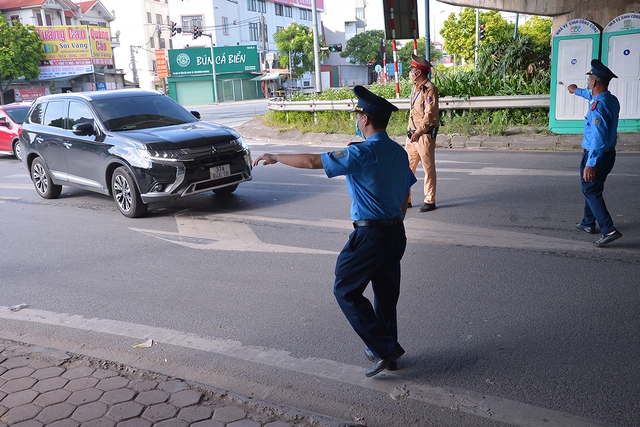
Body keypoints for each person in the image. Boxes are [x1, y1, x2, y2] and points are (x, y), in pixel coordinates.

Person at [253, 86, 417, 377]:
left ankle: (385, 348)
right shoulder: (398, 152)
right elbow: (405, 196)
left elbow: (315, 161)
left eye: (357, 115)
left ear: (364, 119)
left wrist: (276, 156)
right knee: (386, 294)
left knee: (345, 288)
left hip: (370, 236)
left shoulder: (362, 152)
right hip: (395, 233)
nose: (357, 120)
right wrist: (395, 223)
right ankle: (386, 348)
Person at [568, 59, 622, 247]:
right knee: (591, 188)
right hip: (608, 154)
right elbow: (591, 97)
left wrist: (590, 163)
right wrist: (576, 91)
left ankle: (609, 230)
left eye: (589, 79)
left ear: (594, 83)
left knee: (591, 190)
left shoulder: (597, 107)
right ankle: (588, 222)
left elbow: (598, 139)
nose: (588, 82)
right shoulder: (609, 99)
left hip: (596, 154)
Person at [406, 54, 440, 212]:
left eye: (412, 70)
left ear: (418, 73)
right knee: (406, 168)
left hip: (424, 135)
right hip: (411, 135)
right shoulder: (415, 87)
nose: (410, 72)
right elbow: (413, 112)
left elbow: (429, 115)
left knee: (428, 169)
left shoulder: (430, 89)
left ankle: (430, 200)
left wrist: (419, 132)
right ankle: (406, 199)